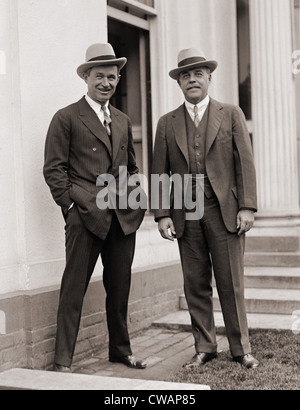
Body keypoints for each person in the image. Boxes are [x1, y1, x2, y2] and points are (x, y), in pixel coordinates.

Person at [152, 48, 259, 369]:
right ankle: (205, 346)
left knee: (231, 282)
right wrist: (162, 214)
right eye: (186, 75)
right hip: (186, 214)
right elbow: (159, 173)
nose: (192, 79)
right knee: (195, 283)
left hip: (224, 210)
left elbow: (246, 163)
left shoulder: (230, 114)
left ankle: (241, 349)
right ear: (179, 83)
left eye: (198, 73)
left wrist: (247, 207)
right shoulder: (166, 123)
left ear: (209, 78)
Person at [44, 43, 147, 372]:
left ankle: (120, 351)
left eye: (112, 77)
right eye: (99, 76)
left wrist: (136, 195)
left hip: (121, 219)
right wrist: (73, 205)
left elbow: (131, 167)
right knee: (73, 289)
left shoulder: (122, 119)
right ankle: (63, 361)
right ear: (86, 77)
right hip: (84, 218)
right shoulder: (66, 118)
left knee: (119, 291)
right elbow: (54, 170)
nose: (106, 82)